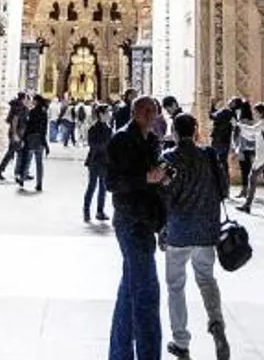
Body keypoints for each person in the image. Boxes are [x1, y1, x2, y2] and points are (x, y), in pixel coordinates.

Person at [161, 113, 231, 360]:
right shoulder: (209, 156)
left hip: (179, 231)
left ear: (175, 132)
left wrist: (162, 229)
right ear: (196, 130)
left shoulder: (169, 158)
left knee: (176, 286)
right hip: (205, 230)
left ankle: (181, 341)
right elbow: (224, 189)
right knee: (206, 279)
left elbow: (164, 196)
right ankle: (217, 325)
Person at [106, 95, 168, 360]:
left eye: (152, 111)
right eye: (143, 110)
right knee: (147, 292)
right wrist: (145, 178)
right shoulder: (120, 139)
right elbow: (111, 182)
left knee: (130, 289)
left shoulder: (153, 141)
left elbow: (156, 182)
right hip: (130, 220)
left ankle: (119, 354)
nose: (148, 115)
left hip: (148, 221)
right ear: (133, 112)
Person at [237, 102, 264, 216]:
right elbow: (251, 136)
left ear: (261, 112)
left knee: (252, 177)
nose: (254, 113)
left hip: (263, 156)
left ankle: (247, 205)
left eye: (256, 111)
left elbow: (252, 131)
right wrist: (241, 128)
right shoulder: (263, 123)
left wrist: (240, 125)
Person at [85, 103, 114, 223]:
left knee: (103, 187)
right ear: (101, 114)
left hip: (105, 161)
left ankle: (100, 211)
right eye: (108, 112)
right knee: (92, 186)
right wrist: (106, 145)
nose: (110, 114)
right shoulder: (94, 128)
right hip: (95, 161)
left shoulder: (108, 128)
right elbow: (93, 145)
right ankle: (86, 210)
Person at [17, 94, 51, 192]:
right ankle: (39, 183)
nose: (32, 102)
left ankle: (22, 179)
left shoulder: (32, 112)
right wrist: (45, 142)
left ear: (36, 101)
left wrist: (24, 138)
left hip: (31, 138)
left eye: (34, 100)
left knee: (28, 159)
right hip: (40, 139)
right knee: (39, 163)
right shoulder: (44, 113)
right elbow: (44, 129)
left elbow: (29, 126)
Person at [0, 92, 29, 181]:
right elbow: (15, 120)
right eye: (26, 99)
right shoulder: (20, 108)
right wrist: (15, 134)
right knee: (18, 153)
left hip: (15, 132)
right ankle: (19, 173)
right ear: (23, 99)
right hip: (17, 133)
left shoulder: (16, 106)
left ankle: (2, 170)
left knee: (11, 153)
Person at [233, 100, 256, 198]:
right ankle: (249, 190)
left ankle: (244, 190)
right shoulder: (252, 122)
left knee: (244, 171)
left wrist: (236, 148)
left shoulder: (241, 123)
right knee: (250, 170)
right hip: (251, 149)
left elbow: (237, 137)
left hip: (243, 149)